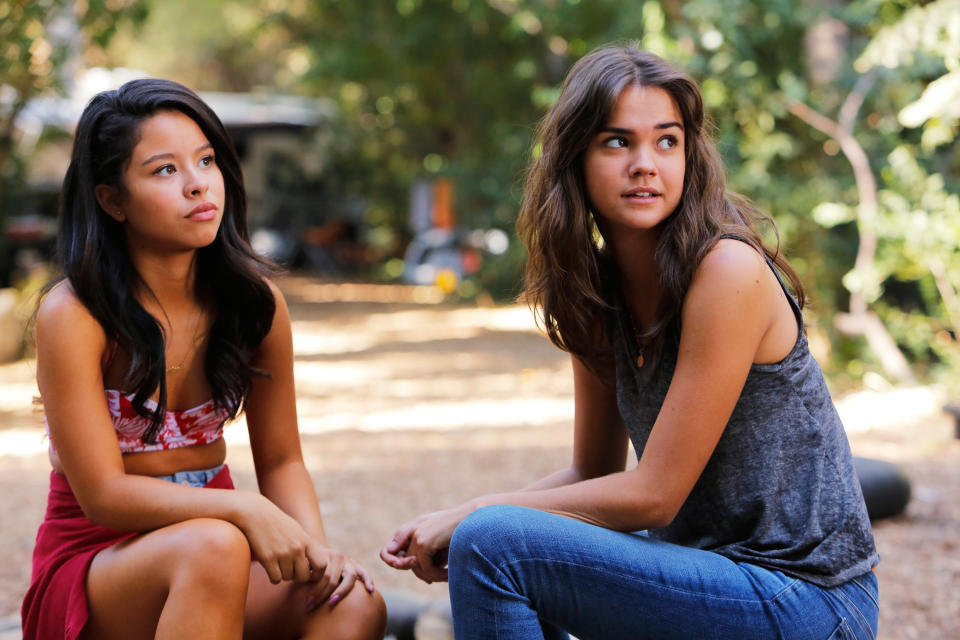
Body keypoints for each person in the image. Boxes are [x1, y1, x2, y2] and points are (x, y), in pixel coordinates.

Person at [381, 45, 879, 640]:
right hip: (711, 577)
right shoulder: (594, 292)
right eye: (617, 142)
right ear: (576, 159)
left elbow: (654, 496)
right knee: (503, 543)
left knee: (495, 544)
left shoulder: (726, 271)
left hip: (807, 601)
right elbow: (590, 473)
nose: (646, 164)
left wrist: (474, 517)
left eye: (666, 141)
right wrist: (461, 517)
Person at [21, 78, 386, 640]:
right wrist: (242, 511)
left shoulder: (254, 304)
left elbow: (283, 460)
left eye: (207, 161)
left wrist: (317, 551)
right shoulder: (76, 314)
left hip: (217, 547)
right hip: (98, 565)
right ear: (112, 199)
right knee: (214, 545)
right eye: (165, 170)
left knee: (350, 604)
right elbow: (103, 495)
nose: (198, 185)